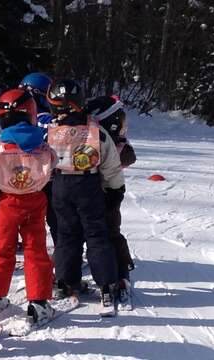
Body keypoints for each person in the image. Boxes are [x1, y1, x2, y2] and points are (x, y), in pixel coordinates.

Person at [0, 89, 57, 324]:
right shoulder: (44, 148)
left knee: (0, 250)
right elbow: (52, 169)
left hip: (6, 204)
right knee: (36, 251)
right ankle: (39, 303)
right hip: (34, 202)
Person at [46, 79, 125, 315]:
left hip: (61, 185)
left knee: (66, 234)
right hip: (88, 184)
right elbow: (111, 165)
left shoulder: (51, 132)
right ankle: (106, 284)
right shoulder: (95, 131)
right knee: (96, 234)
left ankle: (65, 281)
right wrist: (115, 190)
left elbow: (43, 162)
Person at [85, 95, 137, 306]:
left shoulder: (116, 143)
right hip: (93, 195)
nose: (124, 129)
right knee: (98, 236)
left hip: (106, 194)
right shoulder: (94, 139)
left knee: (108, 234)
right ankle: (67, 273)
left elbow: (129, 157)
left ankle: (121, 273)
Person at [19, 72, 59, 245]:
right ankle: (61, 247)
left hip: (21, 175)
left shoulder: (16, 119)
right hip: (47, 178)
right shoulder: (49, 120)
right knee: (55, 216)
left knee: (22, 214)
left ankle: (19, 244)